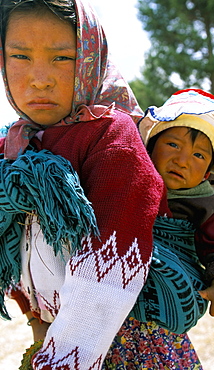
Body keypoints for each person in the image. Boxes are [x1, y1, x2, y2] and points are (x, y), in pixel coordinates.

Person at [0, 0, 169, 368]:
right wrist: (34, 319)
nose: (39, 77)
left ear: (92, 59)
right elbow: (16, 246)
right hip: (51, 338)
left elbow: (108, 273)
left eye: (62, 58)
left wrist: (61, 358)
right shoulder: (15, 144)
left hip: (123, 345)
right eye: (20, 56)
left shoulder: (111, 136)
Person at [130, 89, 214, 333]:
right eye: (173, 144)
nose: (182, 160)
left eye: (198, 155)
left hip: (165, 311)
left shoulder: (210, 205)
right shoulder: (132, 184)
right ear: (150, 149)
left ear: (207, 173)